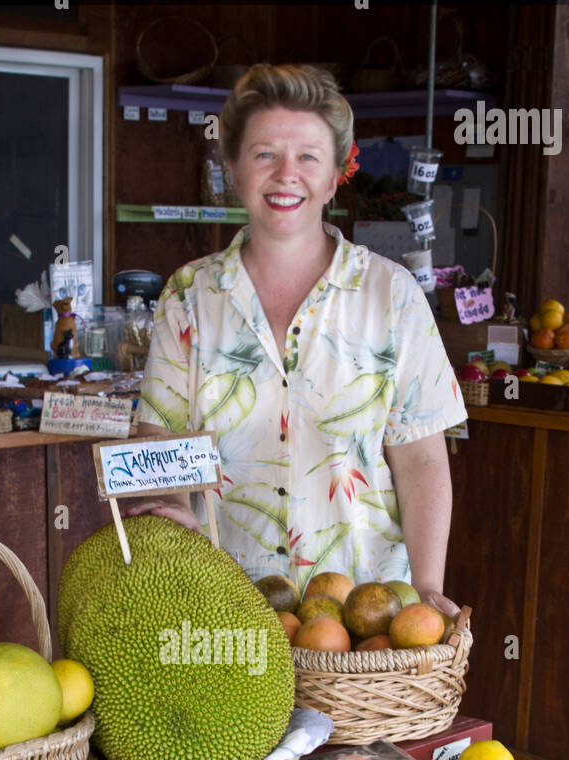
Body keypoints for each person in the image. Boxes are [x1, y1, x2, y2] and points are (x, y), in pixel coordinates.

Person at [128, 64, 468, 617]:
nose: (287, 174)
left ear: (335, 176)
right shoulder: (190, 295)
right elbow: (157, 439)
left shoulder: (390, 293)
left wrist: (427, 589)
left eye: (308, 157)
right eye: (265, 154)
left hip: (366, 619)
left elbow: (421, 458)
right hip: (223, 612)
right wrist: (168, 504)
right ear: (235, 169)